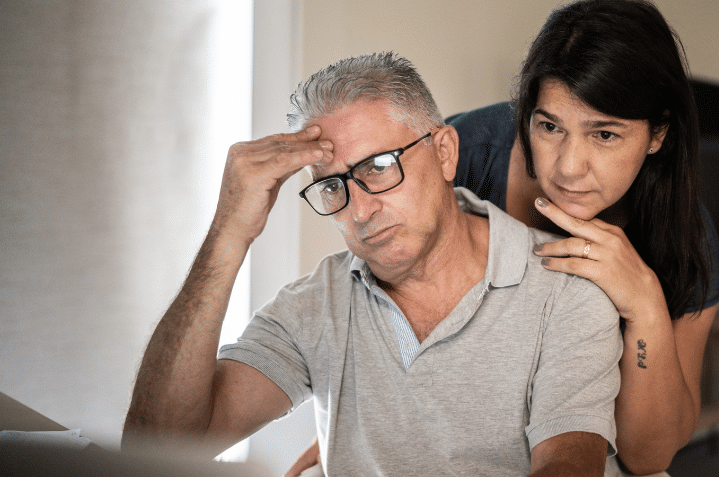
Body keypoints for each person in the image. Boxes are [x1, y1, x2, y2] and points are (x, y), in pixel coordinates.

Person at [122, 52, 623, 476]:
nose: (360, 211)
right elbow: (154, 449)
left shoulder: (565, 286)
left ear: (445, 152)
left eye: (379, 167)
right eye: (333, 186)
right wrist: (228, 235)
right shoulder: (314, 305)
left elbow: (568, 467)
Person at [290, 1, 719, 476]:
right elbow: (384, 312)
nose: (569, 167)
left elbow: (650, 455)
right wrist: (364, 429)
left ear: (657, 133)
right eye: (549, 126)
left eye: (604, 135)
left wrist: (645, 305)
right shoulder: (461, 157)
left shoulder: (686, 234)